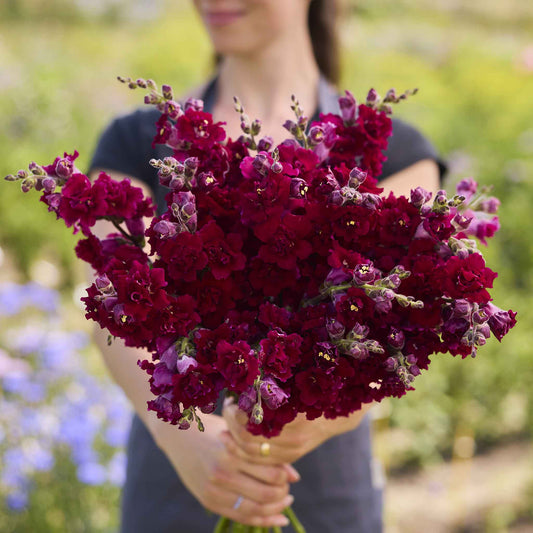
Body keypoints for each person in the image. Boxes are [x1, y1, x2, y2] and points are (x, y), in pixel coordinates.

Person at [88, 1, 447, 531]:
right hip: (177, 477)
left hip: (318, 489)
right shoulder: (135, 143)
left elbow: (395, 325)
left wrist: (308, 425)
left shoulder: (391, 153)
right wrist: (184, 440)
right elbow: (109, 303)